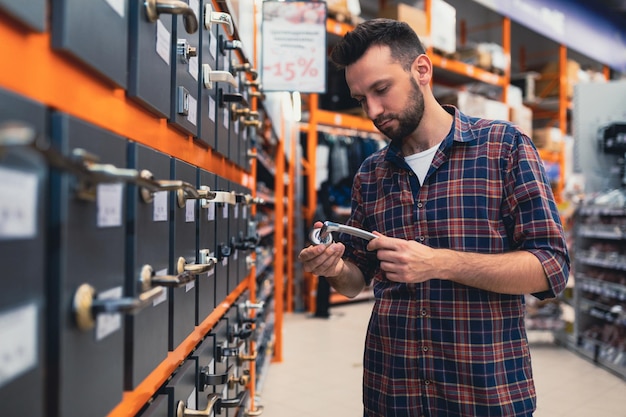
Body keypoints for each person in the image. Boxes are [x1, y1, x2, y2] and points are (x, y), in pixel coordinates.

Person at [298, 18, 570, 417]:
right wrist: (334, 268)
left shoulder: (504, 148)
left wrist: (440, 263)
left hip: (485, 394)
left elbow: (552, 268)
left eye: (381, 89)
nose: (373, 110)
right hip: (392, 392)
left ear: (421, 70)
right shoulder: (371, 174)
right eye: (361, 99)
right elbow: (355, 281)